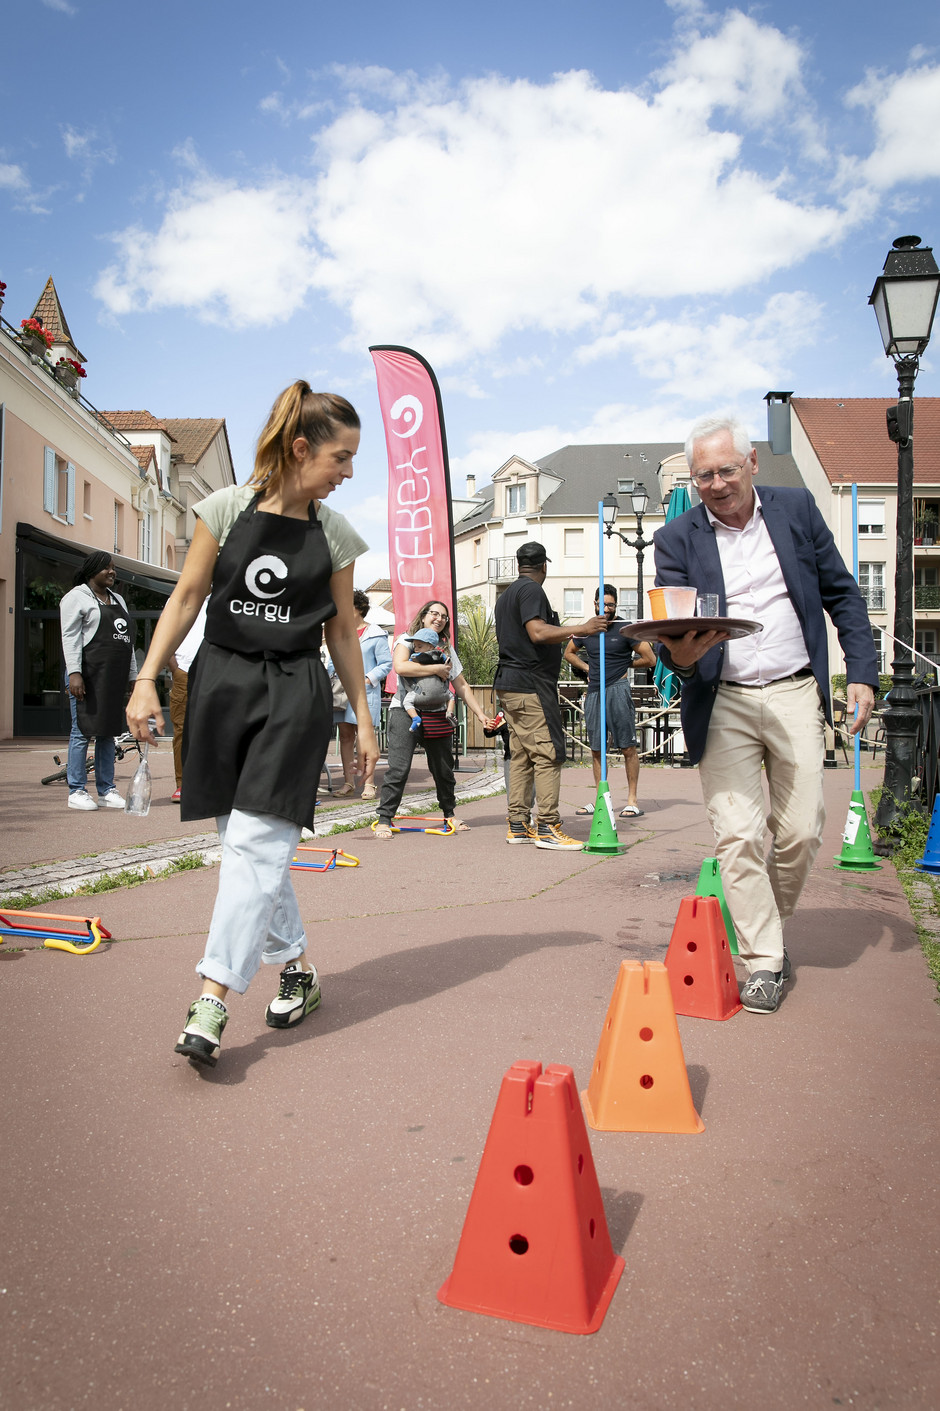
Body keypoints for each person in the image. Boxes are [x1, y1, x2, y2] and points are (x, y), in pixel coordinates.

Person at [125, 382, 377, 1067]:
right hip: (220, 683)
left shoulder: (336, 534)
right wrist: (147, 679)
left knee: (258, 843)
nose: (349, 472)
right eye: (342, 456)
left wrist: (362, 718)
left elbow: (344, 637)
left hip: (294, 691)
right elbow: (186, 597)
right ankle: (296, 967)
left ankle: (212, 996)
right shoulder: (225, 508)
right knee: (242, 844)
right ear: (302, 448)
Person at [653, 414, 878, 1014]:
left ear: (752, 463)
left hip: (793, 690)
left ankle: (761, 929)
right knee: (739, 833)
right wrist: (677, 653)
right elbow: (669, 634)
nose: (718, 483)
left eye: (728, 469)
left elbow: (842, 594)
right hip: (721, 696)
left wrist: (861, 672)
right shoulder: (675, 539)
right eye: (704, 475)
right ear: (692, 479)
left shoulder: (797, 508)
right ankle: (764, 961)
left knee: (802, 829)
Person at [494, 541, 606, 850]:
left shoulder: (506, 596)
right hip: (529, 685)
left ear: (519, 565)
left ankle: (518, 825)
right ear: (545, 566)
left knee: (521, 756)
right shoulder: (532, 591)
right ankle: (547, 826)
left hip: (511, 683)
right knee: (547, 754)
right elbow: (538, 632)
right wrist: (583, 627)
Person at [374, 600, 495, 839]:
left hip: (437, 714)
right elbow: (400, 667)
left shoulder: (447, 650)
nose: (439, 618)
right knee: (399, 768)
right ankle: (384, 819)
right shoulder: (406, 639)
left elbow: (460, 685)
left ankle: (449, 814)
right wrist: (436, 670)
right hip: (405, 712)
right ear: (424, 615)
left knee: (443, 768)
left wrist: (481, 715)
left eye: (444, 616)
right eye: (434, 613)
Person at [564, 584, 656, 817]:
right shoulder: (587, 628)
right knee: (596, 748)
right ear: (595, 603)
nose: (606, 608)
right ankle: (600, 799)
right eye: (602, 604)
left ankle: (632, 800)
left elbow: (650, 658)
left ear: (616, 606)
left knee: (627, 746)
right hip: (594, 690)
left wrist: (626, 664)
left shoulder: (625, 628)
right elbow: (568, 653)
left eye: (610, 605)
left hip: (618, 688)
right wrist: (587, 668)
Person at [59, 551, 137, 811]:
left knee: (108, 733)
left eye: (114, 568)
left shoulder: (118, 600)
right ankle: (77, 790)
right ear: (92, 571)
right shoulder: (75, 598)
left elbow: (128, 644)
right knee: (82, 730)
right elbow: (70, 638)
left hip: (112, 678)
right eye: (107, 568)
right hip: (86, 676)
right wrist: (74, 673)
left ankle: (106, 789)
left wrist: (133, 677)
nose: (112, 572)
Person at [324, 588, 391, 799]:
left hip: (364, 692)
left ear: (359, 608)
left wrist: (367, 679)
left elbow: (386, 664)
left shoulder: (376, 633)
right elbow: (332, 662)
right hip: (342, 692)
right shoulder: (339, 633)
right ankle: (348, 782)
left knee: (364, 736)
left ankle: (369, 783)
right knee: (345, 736)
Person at [167, 599, 207, 803]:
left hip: (215, 671)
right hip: (184, 671)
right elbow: (165, 632)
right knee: (182, 729)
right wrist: (176, 668)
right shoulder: (181, 598)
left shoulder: (225, 595)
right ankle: (183, 784)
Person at [398, 629, 456, 732]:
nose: (416, 649)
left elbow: (404, 668)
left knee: (407, 702)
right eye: (414, 646)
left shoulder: (415, 657)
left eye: (419, 646)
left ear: (430, 646)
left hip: (421, 694)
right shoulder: (440, 655)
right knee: (451, 696)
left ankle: (415, 718)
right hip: (440, 696)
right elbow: (448, 663)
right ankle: (449, 712)